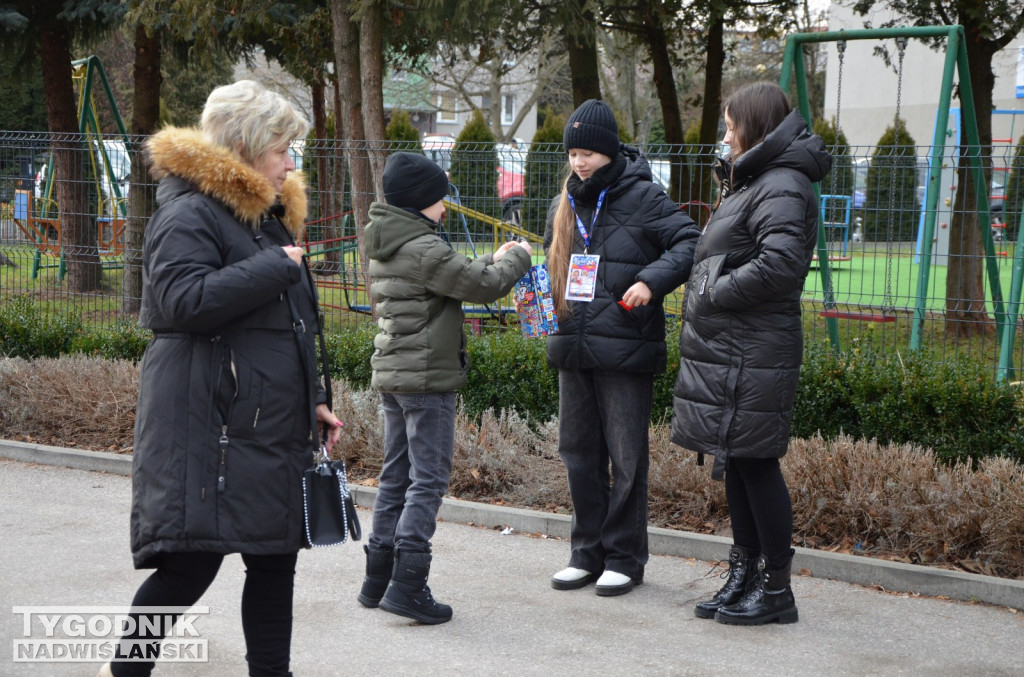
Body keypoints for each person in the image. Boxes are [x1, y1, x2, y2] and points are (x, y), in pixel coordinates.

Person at [99, 80, 341, 677]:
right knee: (190, 563)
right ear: (247, 144)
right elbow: (176, 302)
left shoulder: (266, 217)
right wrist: (269, 269)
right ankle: (124, 672)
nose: (291, 161)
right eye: (282, 147)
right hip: (206, 423)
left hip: (265, 421)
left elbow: (289, 328)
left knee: (274, 558)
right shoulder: (190, 210)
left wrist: (314, 399)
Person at [671, 81, 832, 625]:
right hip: (736, 346)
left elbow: (781, 265)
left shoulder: (782, 183)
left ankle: (777, 590)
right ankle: (745, 572)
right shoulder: (756, 181)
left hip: (755, 347)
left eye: (730, 123)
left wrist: (713, 291)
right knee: (736, 463)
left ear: (754, 126)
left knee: (757, 465)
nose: (725, 134)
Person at [357, 151, 533, 624]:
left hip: (396, 375)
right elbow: (484, 284)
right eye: (439, 199)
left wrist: (486, 261)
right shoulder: (424, 248)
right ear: (420, 204)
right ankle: (409, 585)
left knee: (395, 477)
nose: (444, 207)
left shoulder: (393, 242)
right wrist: (517, 256)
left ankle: (377, 579)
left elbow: (452, 278)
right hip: (427, 379)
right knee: (428, 479)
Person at [544, 99, 700, 596]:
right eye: (572, 153)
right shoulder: (566, 201)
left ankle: (626, 557)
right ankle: (585, 553)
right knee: (577, 453)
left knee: (625, 457)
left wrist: (651, 283)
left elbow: (690, 243)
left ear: (609, 151)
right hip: (574, 345)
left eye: (588, 152)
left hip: (626, 347)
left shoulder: (644, 196)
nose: (579, 162)